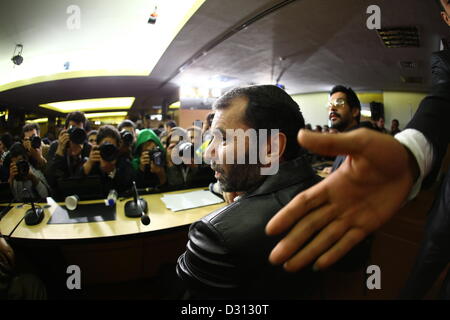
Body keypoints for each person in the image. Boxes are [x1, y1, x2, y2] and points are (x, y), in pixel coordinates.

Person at [265, 0, 450, 274]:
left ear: (354, 111)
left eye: (339, 104)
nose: (331, 109)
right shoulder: (445, 61)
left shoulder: (365, 134)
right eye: (330, 104)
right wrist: (410, 153)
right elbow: (441, 103)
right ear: (446, 17)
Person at [176, 85, 323, 299]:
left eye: (224, 139)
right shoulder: (331, 197)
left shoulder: (214, 236)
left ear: (270, 148)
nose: (208, 152)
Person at [45, 111, 91, 197]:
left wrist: (78, 157)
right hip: (60, 195)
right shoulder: (56, 146)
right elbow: (49, 179)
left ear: (84, 132)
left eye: (79, 130)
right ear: (65, 130)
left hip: (83, 194)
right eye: (72, 128)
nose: (75, 133)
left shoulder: (88, 148)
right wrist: (60, 150)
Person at [81, 125, 134, 196]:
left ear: (118, 148)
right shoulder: (92, 162)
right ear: (98, 146)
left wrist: (112, 172)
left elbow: (127, 189)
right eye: (105, 146)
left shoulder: (124, 164)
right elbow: (78, 186)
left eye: (111, 147)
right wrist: (89, 163)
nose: (108, 150)